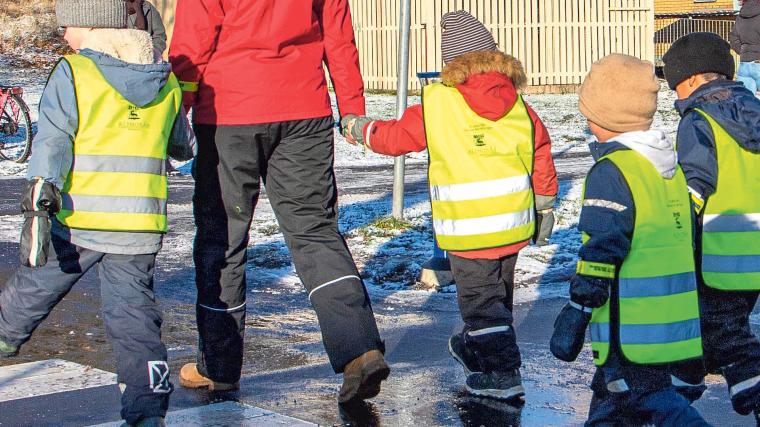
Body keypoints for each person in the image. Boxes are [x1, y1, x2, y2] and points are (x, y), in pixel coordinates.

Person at [168, 0, 390, 404]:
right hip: (304, 109)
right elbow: (338, 34)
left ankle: (217, 368)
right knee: (315, 232)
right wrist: (351, 107)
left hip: (229, 110)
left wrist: (177, 109)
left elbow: (194, 40)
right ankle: (359, 348)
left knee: (223, 238)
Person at [342, 10, 558, 400]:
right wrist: (544, 206)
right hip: (513, 228)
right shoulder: (518, 104)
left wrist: (361, 129)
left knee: (482, 309)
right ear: (495, 57)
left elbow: (395, 138)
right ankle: (477, 349)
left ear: (451, 63)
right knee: (496, 302)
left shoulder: (439, 104)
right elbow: (540, 151)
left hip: (469, 231)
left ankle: (502, 376)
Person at [0, 0, 195, 425]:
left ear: (92, 23)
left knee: (24, 299)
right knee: (135, 322)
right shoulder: (166, 81)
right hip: (140, 226)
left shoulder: (75, 72)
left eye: (68, 23)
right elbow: (183, 147)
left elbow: (52, 142)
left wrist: (38, 201)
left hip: (78, 221)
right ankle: (147, 412)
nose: (64, 34)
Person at [549, 54, 709, 426]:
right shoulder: (665, 167)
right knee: (614, 404)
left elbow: (602, 248)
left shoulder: (612, 171)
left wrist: (579, 308)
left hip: (630, 328)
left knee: (649, 402)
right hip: (668, 325)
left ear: (605, 116)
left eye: (589, 111)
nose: (586, 120)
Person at [663, 32, 760, 421]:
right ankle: (678, 388)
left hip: (720, 254)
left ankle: (748, 388)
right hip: (753, 252)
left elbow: (694, 187)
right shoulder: (753, 110)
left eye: (675, 84)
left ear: (690, 78)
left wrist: (675, 234)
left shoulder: (699, 121)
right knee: (711, 326)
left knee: (725, 333)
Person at [731, 0, 760, 94]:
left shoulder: (739, 17)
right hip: (758, 62)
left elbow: (734, 40)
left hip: (744, 64)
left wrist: (744, 52)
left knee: (748, 102)